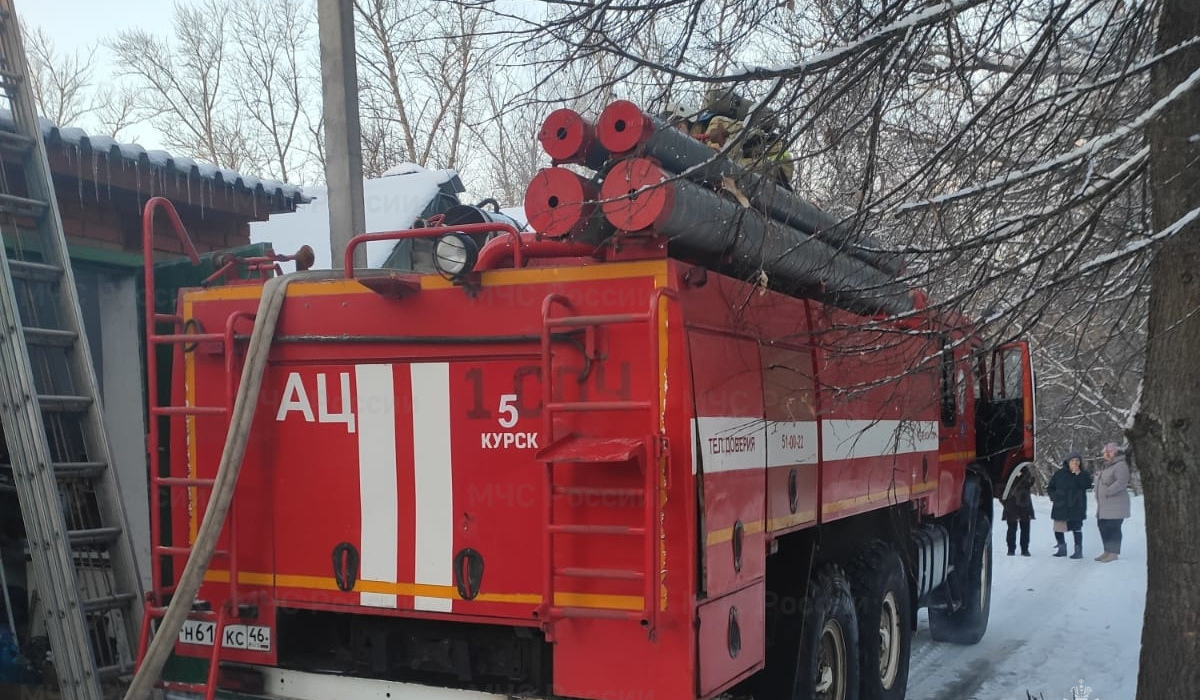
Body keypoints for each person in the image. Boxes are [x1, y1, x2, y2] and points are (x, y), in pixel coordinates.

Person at [1046, 451, 1093, 558]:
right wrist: (1054, 497)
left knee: (1076, 528)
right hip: (1060, 505)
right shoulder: (1060, 473)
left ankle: (1078, 550)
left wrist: (1079, 474)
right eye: (1072, 461)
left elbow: (1087, 485)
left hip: (1077, 505)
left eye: (1077, 460)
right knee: (1058, 528)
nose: (1075, 463)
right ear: (1068, 462)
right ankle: (1062, 548)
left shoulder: (1083, 474)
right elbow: (1050, 487)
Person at [1094, 442, 1131, 562]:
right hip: (1104, 505)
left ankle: (1113, 553)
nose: (1106, 454)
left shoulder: (1120, 465)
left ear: (1115, 453)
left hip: (1116, 505)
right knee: (1103, 526)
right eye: (1105, 452)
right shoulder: (1106, 466)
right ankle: (1107, 551)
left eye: (1109, 452)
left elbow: (1121, 482)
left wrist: (1108, 491)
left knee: (1113, 528)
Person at [1001, 465, 1035, 556]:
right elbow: (1002, 490)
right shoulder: (1007, 471)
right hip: (1012, 503)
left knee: (1025, 528)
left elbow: (1028, 485)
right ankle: (1011, 549)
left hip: (1024, 503)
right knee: (1012, 528)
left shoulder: (1025, 470)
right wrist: (1005, 503)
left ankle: (1024, 549)